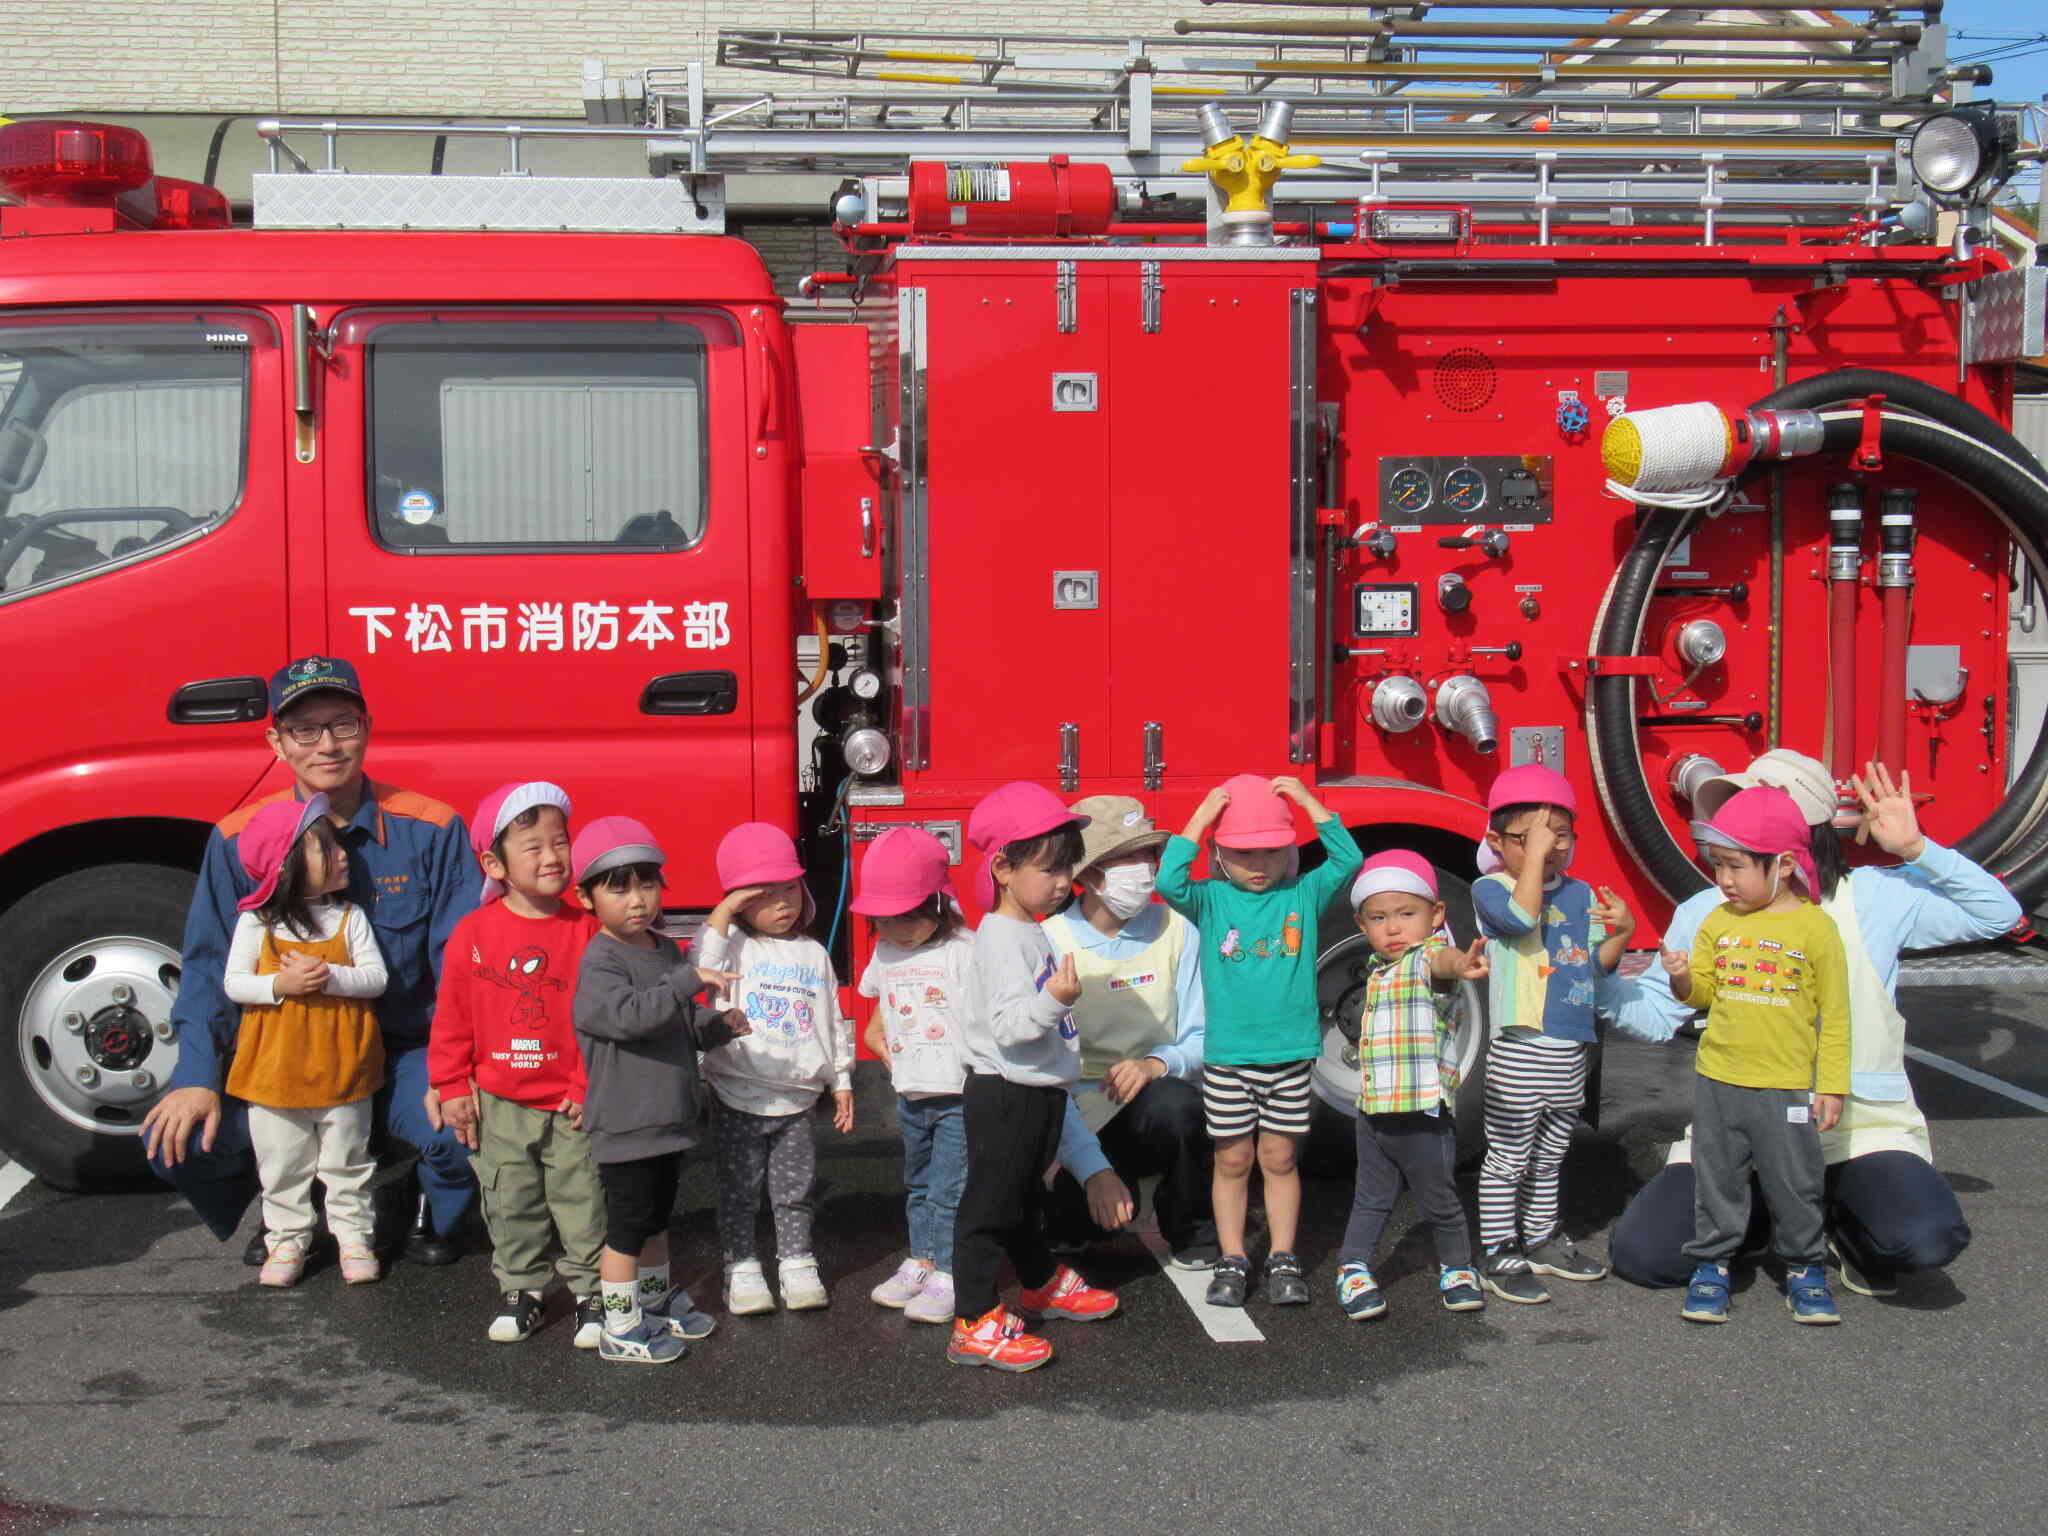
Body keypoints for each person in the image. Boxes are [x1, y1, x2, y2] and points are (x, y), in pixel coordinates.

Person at [1606, 752, 2017, 1296]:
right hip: (1738, 1129)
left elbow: (1999, 914)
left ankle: (1842, 1221)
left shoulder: (1874, 897)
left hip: (1857, 1131)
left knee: (1923, 1238)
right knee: (1646, 1255)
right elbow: (1659, 1014)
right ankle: (1756, 1219)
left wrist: (1917, 850)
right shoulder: (1706, 910)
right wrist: (1594, 979)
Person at [142, 656, 480, 1266]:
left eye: (343, 725)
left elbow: (460, 966)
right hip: (286, 1049)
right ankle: (288, 1209)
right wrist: (195, 1076)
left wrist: (454, 1071)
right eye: (305, 729)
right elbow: (207, 968)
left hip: (403, 1052)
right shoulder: (238, 838)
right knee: (181, 1140)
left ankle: (416, 1197)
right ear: (276, 741)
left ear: (367, 728)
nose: (327, 745)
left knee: (457, 1132)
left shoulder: (431, 828)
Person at [1159, 773, 1363, 1309]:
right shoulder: (1210, 899)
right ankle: (1233, 1256)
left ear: (1289, 852)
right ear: (1220, 853)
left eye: (1272, 852)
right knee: (1231, 1161)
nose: (1258, 865)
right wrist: (1202, 815)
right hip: (1228, 1059)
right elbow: (1168, 881)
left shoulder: (1303, 892)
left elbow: (1348, 859)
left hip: (1291, 1057)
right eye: (1243, 853)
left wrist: (1305, 800)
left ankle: (1283, 1256)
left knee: (1279, 1159)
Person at [1659, 786, 1851, 1325]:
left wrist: (1831, 1084)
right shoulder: (1719, 923)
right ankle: (1713, 1263)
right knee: (1717, 1176)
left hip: (1786, 1084)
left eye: (1736, 867)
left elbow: (1835, 1015)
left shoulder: (1816, 928)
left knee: (1795, 1179)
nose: (1723, 880)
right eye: (1718, 866)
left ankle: (1804, 1267)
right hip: (1718, 1078)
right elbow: (1702, 994)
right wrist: (1680, 980)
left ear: (1784, 865)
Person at [427, 782, 608, 1347]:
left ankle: (592, 1291)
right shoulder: (473, 934)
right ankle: (524, 1287)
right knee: (510, 1200)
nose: (552, 857)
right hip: (498, 1099)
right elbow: (453, 1017)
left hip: (570, 1100)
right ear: (494, 862)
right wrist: (451, 1083)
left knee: (583, 1197)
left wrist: (586, 1083)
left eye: (560, 842)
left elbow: (600, 1021)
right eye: (532, 847)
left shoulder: (587, 929)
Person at [948, 782, 1120, 1373]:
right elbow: (1011, 1026)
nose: (1061, 882)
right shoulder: (1000, 937)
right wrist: (1055, 999)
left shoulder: (1029, 929)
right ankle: (972, 1319)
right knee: (989, 1208)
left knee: (1022, 1200)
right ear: (1002, 868)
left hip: (1036, 1091)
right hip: (1006, 1093)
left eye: (1066, 868)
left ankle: (1040, 1281)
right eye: (1049, 869)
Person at [571, 816, 748, 1365]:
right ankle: (619, 1325)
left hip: (667, 1119)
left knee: (654, 1223)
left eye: (647, 883)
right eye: (618, 886)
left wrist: (717, 1029)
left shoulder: (662, 951)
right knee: (626, 1229)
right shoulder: (601, 960)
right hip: (625, 1123)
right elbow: (628, 1017)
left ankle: (651, 1302)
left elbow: (679, 1020)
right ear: (585, 897)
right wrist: (686, 982)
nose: (637, 899)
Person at [1471, 763, 1634, 1305]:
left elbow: (1594, 966)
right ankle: (1498, 1248)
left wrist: (1623, 932)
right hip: (1520, 1046)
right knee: (1509, 1155)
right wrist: (1534, 860)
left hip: (1570, 1045)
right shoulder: (1491, 888)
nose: (1551, 847)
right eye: (1531, 837)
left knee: (1550, 1154)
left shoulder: (1581, 890)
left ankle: (1541, 1238)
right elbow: (1519, 920)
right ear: (1497, 841)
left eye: (1561, 836)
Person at [1043, 795, 1217, 1270]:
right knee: (1065, 1226)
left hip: (1154, 1099)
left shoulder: (1179, 930)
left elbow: (1202, 1035)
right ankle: (1096, 1195)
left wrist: (1157, 1063)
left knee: (1179, 1107)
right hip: (1075, 1113)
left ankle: (1192, 1226)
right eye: (1127, 857)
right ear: (1090, 872)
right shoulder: (1051, 940)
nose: (1144, 869)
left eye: (1149, 856)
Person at [223, 795, 387, 1288]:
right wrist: (281, 985)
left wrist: (329, 977)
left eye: (339, 845)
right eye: (325, 849)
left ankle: (355, 1238)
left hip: (344, 1065)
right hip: (275, 1070)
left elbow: (376, 979)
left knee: (348, 1162)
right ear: (286, 866)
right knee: (282, 1164)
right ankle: (288, 1238)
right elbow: (234, 984)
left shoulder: (349, 917)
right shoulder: (257, 923)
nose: (343, 855)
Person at [691, 823, 854, 1316]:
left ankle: (797, 1261)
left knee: (794, 1189)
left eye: (790, 889)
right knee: (739, 1191)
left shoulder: (814, 953)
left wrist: (841, 1080)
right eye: (765, 894)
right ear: (740, 902)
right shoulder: (734, 945)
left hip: (797, 1097)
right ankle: (741, 1266)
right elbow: (699, 961)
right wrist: (723, 911)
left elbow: (832, 1019)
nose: (783, 902)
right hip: (737, 1092)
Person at [1336, 852, 1492, 1318]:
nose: (1394, 928)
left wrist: (1460, 963)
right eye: (1379, 918)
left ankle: (1459, 1267)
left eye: (1408, 914)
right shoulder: (1377, 970)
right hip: (1374, 1112)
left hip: (1424, 1114)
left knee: (1438, 1197)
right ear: (1361, 924)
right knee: (1370, 1198)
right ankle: (1353, 1267)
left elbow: (1440, 963)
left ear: (1436, 915)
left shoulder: (1426, 960)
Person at [854, 827, 973, 1325]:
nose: (897, 928)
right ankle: (921, 1259)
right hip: (910, 1092)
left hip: (959, 1094)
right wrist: (879, 1038)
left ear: (940, 903)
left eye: (909, 915)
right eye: (884, 917)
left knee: (950, 1189)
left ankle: (950, 1271)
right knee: (918, 1183)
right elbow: (880, 1010)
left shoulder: (964, 948)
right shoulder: (886, 952)